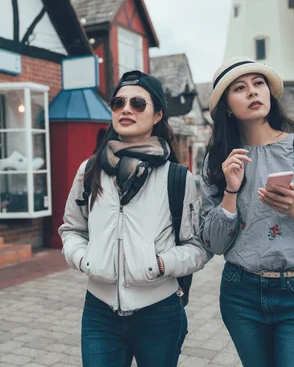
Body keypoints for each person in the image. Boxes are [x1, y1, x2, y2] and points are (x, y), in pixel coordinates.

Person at [200, 57, 294, 367]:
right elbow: (213, 244)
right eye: (240, 88)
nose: (253, 92)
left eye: (259, 84)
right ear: (227, 107)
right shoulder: (218, 160)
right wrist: (231, 190)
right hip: (239, 293)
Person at [59, 70, 211, 367]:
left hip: (159, 312)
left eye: (138, 104)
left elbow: (198, 248)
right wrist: (83, 258)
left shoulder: (178, 178)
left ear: (157, 115)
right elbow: (71, 228)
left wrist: (160, 264)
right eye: (118, 103)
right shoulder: (89, 171)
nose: (126, 109)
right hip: (99, 311)